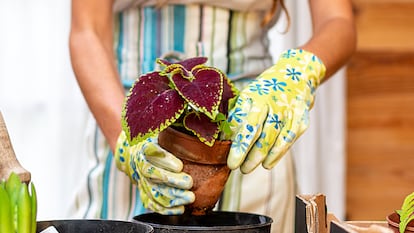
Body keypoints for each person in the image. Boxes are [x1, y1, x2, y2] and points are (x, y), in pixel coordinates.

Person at [69, 0, 356, 232]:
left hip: (248, 125)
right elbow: (87, 31)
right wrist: (125, 143)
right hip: (137, 119)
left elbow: (338, 22)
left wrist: (296, 74)